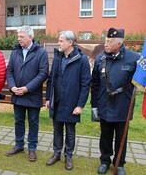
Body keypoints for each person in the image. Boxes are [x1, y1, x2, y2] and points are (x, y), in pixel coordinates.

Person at [91, 28, 140, 175]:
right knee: (105, 135)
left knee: (121, 137)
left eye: (110, 42)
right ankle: (105, 161)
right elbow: (95, 84)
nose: (106, 44)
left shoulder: (133, 58)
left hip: (123, 105)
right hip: (104, 104)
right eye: (105, 41)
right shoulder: (100, 59)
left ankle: (119, 163)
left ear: (119, 43)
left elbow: (140, 79)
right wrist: (94, 105)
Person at [45, 31, 91, 170]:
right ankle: (56, 153)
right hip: (57, 101)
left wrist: (80, 105)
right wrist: (48, 98)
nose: (58, 43)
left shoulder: (81, 59)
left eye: (61, 41)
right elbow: (51, 79)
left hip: (72, 103)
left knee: (70, 132)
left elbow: (85, 84)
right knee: (57, 130)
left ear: (70, 43)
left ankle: (68, 156)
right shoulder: (58, 57)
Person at [6, 26, 49, 161]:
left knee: (33, 122)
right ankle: (19, 145)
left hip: (32, 94)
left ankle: (32, 148)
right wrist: (12, 87)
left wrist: (27, 88)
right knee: (18, 121)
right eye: (18, 37)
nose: (19, 39)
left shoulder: (41, 52)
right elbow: (9, 71)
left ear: (30, 37)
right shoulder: (15, 52)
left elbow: (43, 73)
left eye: (22, 37)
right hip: (17, 94)